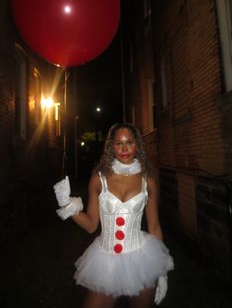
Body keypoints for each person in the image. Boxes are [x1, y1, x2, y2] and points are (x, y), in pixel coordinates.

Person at [54, 123, 174, 308]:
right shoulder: (98, 178)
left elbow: (154, 226)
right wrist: (68, 206)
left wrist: (162, 271)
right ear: (111, 146)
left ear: (137, 145)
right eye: (118, 143)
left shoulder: (148, 180)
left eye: (129, 143)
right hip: (106, 261)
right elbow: (92, 225)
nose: (124, 149)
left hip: (141, 260)